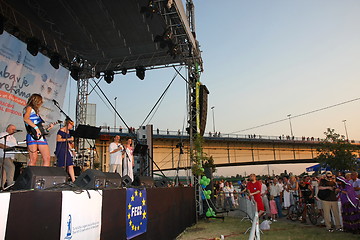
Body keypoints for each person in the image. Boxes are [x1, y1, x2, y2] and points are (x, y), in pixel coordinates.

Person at [23, 94, 53, 166]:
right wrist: (36, 128)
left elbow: (39, 126)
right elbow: (26, 119)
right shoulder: (29, 108)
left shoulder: (36, 112)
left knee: (47, 158)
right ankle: (30, 176)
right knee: (33, 159)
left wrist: (48, 128)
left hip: (40, 136)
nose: (41, 103)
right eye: (40, 101)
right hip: (32, 135)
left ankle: (44, 176)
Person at [0, 124, 18, 189]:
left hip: (10, 157)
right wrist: (7, 148)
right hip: (3, 156)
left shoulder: (13, 138)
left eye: (14, 129)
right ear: (8, 129)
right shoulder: (2, 135)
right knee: (11, 168)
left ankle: (1, 186)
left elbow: (15, 148)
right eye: (12, 129)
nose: (14, 131)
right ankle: (10, 185)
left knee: (3, 172)